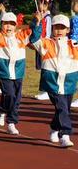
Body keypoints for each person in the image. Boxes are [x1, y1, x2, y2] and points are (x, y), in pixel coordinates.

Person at [30, 14, 78, 147]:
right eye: (56, 27)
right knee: (62, 108)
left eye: (62, 28)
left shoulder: (74, 45)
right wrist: (37, 24)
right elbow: (34, 40)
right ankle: (65, 134)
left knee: (63, 109)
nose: (59, 30)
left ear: (68, 30)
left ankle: (54, 128)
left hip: (68, 84)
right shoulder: (46, 43)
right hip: (52, 83)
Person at [0, 12, 33, 135]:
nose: (8, 27)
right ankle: (1, 110)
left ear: (16, 25)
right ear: (1, 24)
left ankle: (11, 122)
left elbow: (34, 35)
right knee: (9, 94)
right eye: (6, 24)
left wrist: (36, 22)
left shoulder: (21, 36)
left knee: (17, 97)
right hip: (4, 70)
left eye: (12, 24)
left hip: (18, 70)